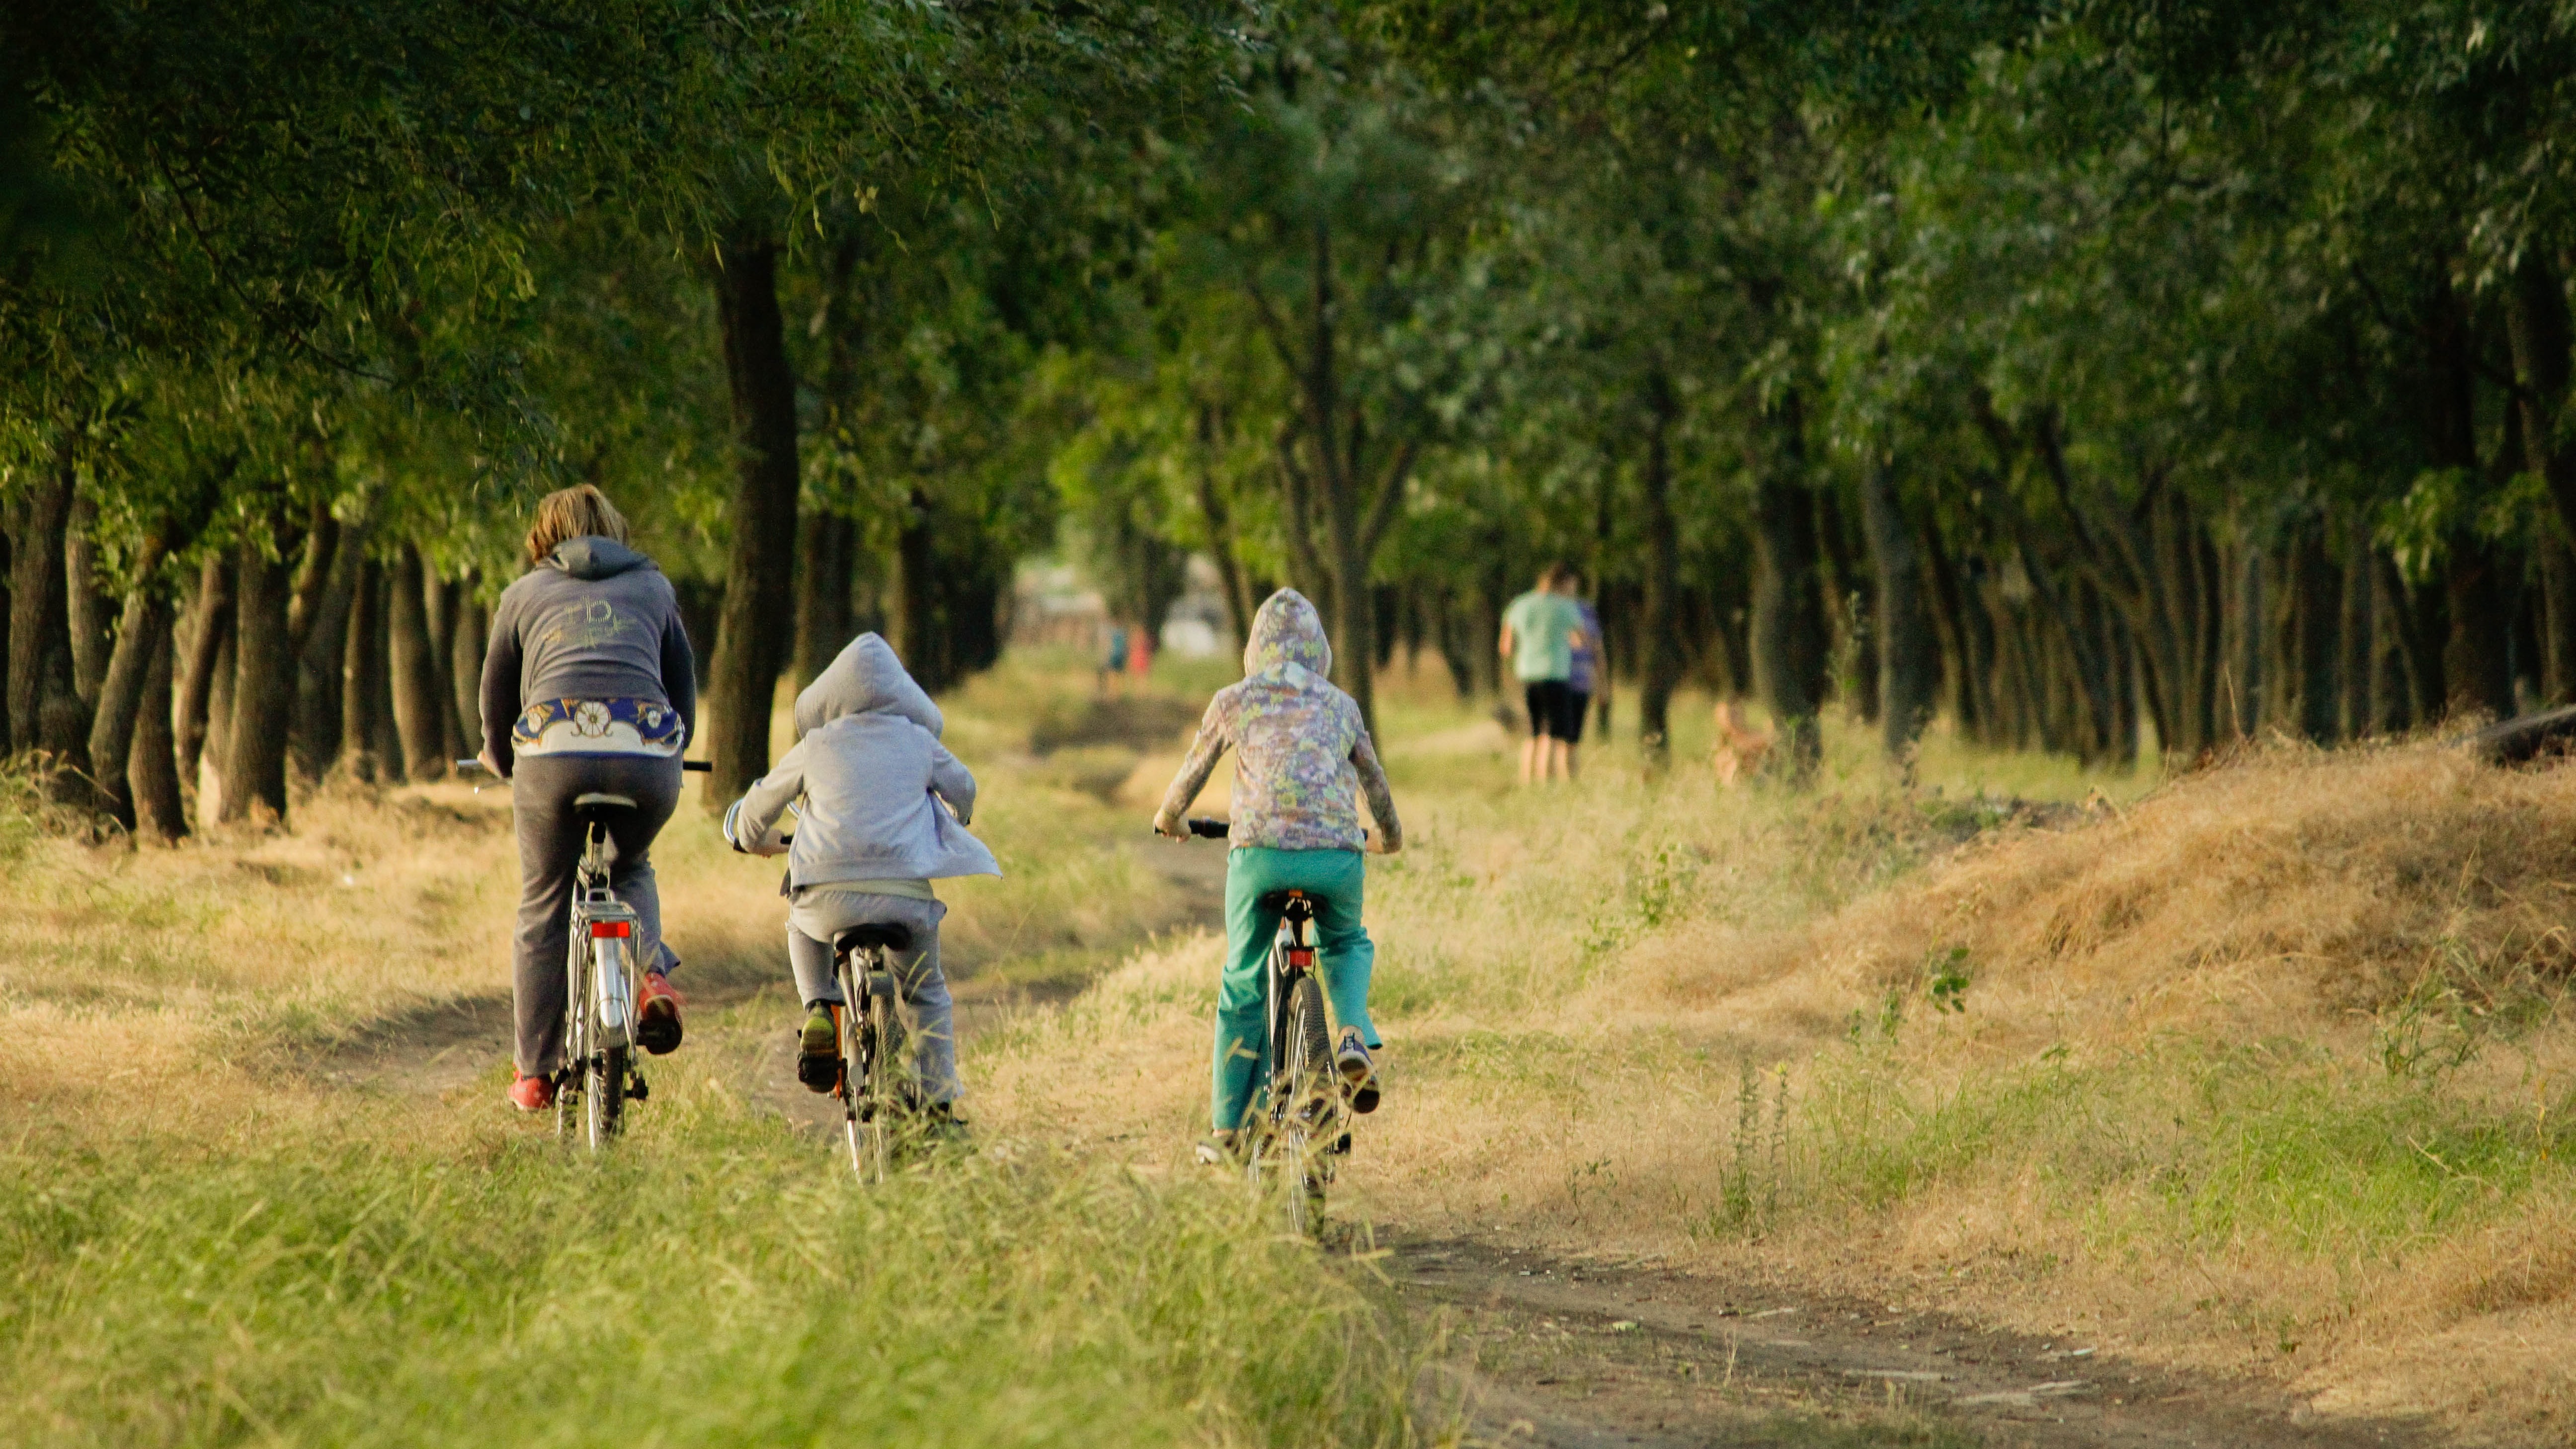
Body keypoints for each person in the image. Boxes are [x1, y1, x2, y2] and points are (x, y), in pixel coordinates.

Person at [1152, 589, 1402, 1162]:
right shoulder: (1342, 706)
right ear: (1320, 651)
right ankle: (1350, 1034)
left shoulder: (1235, 699)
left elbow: (1189, 777)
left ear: (1254, 649)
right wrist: (1389, 837)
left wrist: (1171, 819)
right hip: (1336, 858)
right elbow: (1377, 786)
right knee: (1345, 940)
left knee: (1242, 977)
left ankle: (1228, 1129)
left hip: (1259, 858)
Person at [722, 633, 998, 1127]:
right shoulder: (919, 741)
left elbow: (760, 806)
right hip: (904, 897)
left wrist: (748, 836)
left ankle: (818, 1007)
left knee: (802, 925)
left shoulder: (817, 743)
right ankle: (938, 1102)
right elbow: (965, 789)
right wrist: (961, 813)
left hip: (827, 897)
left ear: (829, 698)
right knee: (927, 990)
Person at [479, 485, 694, 1114]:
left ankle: (536, 1071)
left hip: (552, 751)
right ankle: (652, 976)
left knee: (545, 898)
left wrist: (499, 757)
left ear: (546, 536)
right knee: (630, 865)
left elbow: (496, 697)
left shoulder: (522, 596)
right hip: (647, 752)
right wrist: (672, 751)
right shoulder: (655, 588)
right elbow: (683, 687)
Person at [1498, 564, 1586, 784]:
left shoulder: (1519, 605)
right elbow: (1581, 641)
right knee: (1555, 734)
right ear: (1561, 584)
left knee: (1533, 732)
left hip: (1527, 674)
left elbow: (1506, 647)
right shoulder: (1565, 607)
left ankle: (1527, 782)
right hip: (1555, 674)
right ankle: (1547, 782)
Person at [1561, 565, 1605, 780]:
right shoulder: (1552, 610)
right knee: (1556, 735)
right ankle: (1556, 780)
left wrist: (1602, 681)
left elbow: (1597, 647)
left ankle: (1571, 780)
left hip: (1581, 680)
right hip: (1557, 679)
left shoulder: (1587, 610)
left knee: (1574, 737)